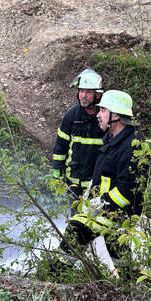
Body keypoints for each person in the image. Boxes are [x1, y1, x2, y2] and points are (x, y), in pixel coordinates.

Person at [58, 89, 147, 266]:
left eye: (103, 110)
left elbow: (128, 190)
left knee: (77, 229)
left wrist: (101, 203)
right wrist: (91, 195)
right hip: (108, 207)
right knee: (116, 246)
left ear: (117, 116)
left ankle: (56, 277)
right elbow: (102, 173)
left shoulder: (134, 146)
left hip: (119, 211)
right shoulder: (112, 137)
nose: (98, 114)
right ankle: (128, 283)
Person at [51, 68, 105, 209]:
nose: (83, 95)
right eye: (81, 91)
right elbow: (60, 144)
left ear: (98, 95)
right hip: (73, 180)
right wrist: (57, 169)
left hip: (96, 182)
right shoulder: (71, 115)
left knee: (92, 217)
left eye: (88, 92)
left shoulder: (105, 117)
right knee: (75, 217)